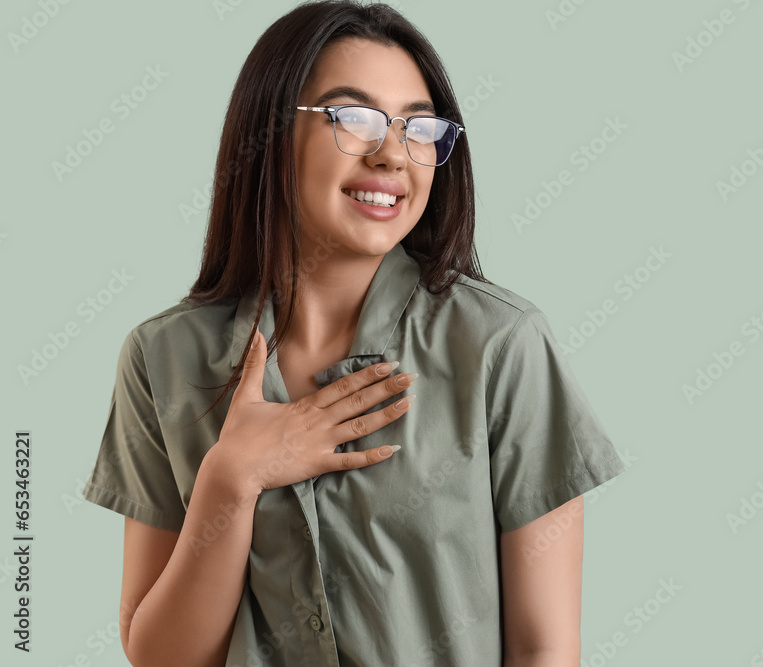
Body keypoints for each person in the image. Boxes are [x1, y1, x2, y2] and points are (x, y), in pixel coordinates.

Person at [82, 2, 626, 665]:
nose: (393, 152)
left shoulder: (501, 346)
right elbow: (162, 656)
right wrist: (230, 478)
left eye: (418, 127)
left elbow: (545, 649)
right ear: (271, 131)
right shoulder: (161, 358)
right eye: (355, 117)